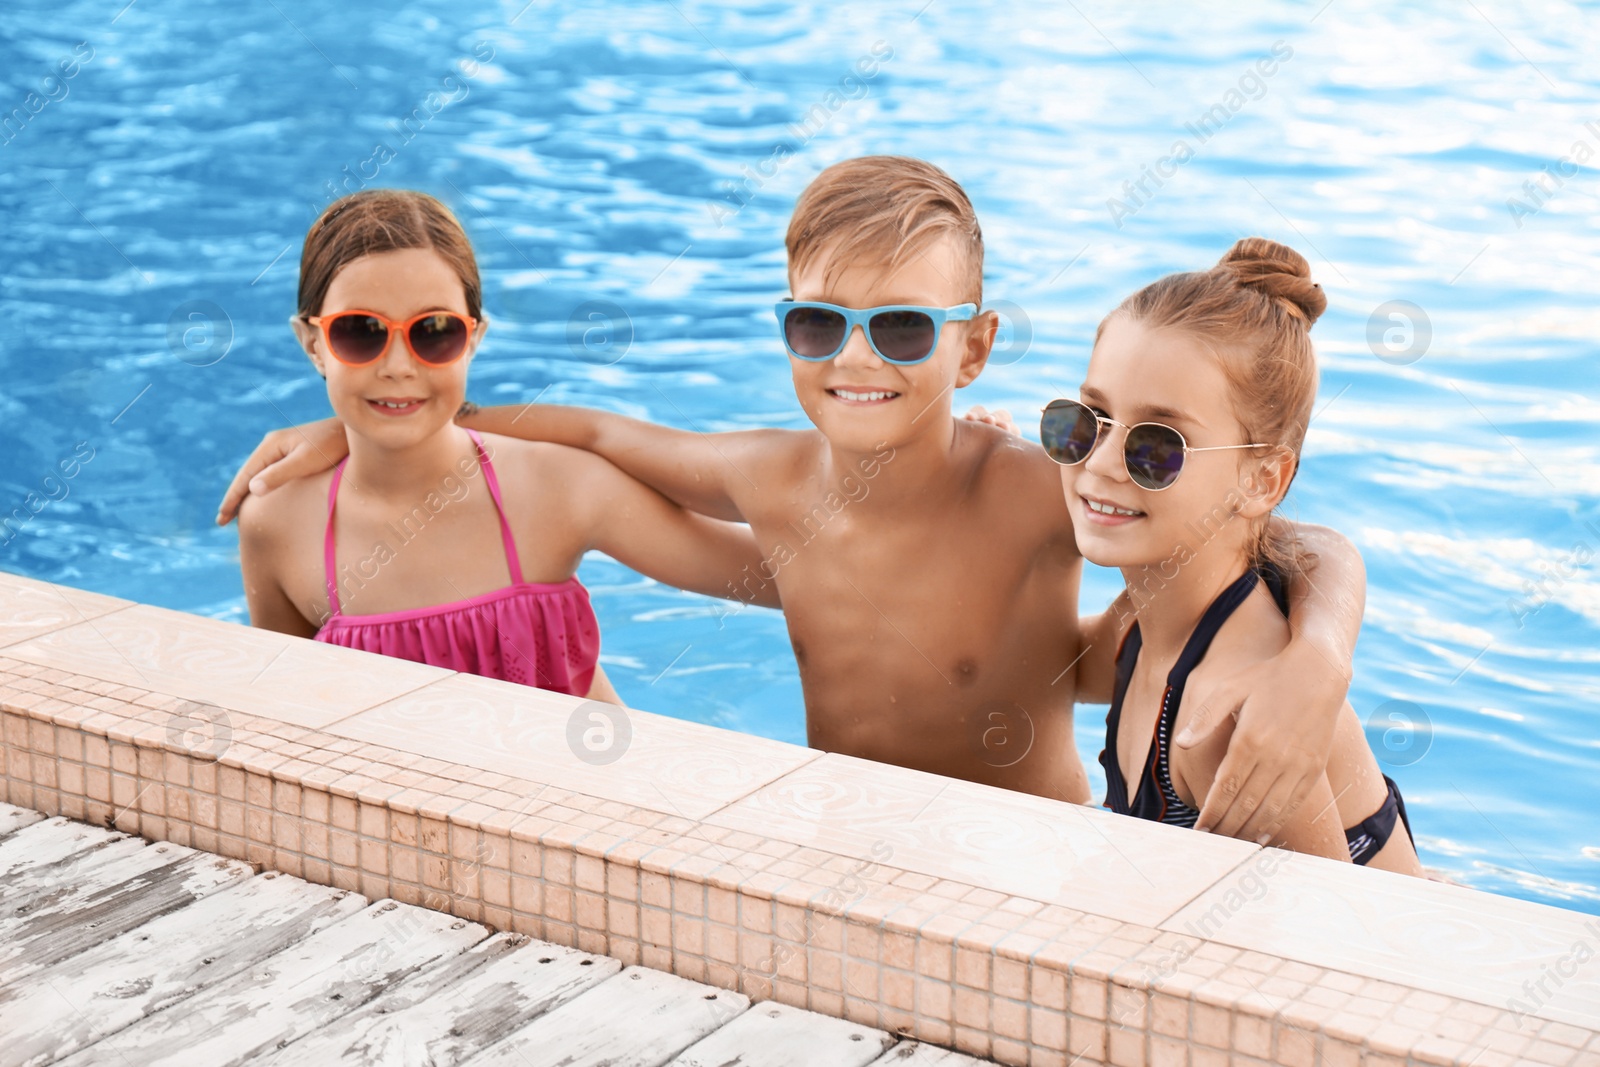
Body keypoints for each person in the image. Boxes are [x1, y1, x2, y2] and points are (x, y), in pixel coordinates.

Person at [220, 159, 1364, 840]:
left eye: (904, 327)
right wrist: (385, 406)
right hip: (841, 842)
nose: (858, 357)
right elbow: (597, 431)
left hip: (1028, 847)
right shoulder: (765, 480)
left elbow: (1248, 528)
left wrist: (1320, 652)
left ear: (973, 348)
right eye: (822, 323)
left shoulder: (1038, 480)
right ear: (787, 330)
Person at [234, 189, 775, 702]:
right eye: (361, 331)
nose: (397, 366)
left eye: (433, 330)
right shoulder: (277, 521)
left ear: (474, 339)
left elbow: (788, 579)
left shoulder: (555, 488)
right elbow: (287, 720)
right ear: (313, 344)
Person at [1043, 237, 1421, 872]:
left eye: (1157, 446)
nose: (1100, 463)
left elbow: (1331, 951)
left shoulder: (1221, 718)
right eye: (1087, 419)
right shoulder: (1143, 622)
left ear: (1263, 481)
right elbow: (1051, 667)